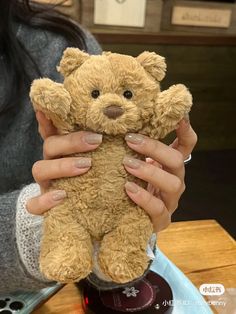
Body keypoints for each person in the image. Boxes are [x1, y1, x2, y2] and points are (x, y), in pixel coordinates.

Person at [0, 0, 197, 293]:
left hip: (121, 210)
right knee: (67, 223)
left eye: (127, 94)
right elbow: (58, 103)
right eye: (96, 94)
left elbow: (115, 287)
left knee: (129, 230)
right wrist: (31, 230)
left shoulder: (59, 42)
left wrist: (149, 204)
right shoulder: (67, 65)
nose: (114, 106)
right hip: (69, 213)